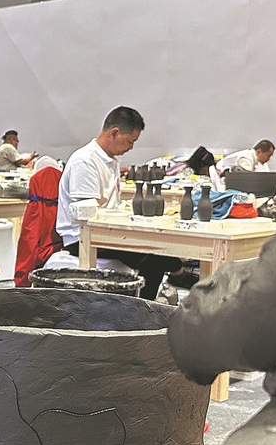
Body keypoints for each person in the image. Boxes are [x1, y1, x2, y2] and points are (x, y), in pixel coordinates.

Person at [56, 106, 182, 300]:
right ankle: (141, 309)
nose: (131, 147)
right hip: (81, 237)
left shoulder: (110, 161)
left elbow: (108, 206)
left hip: (105, 232)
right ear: (114, 133)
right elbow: (86, 215)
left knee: (164, 249)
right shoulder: (85, 161)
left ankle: (146, 301)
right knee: (156, 258)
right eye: (130, 141)